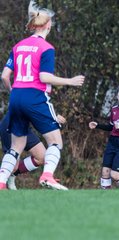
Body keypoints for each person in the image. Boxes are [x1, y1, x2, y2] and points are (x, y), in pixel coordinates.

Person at [0, 0, 85, 190]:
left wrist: (15, 92)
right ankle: (47, 176)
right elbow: (44, 76)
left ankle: (1, 183)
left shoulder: (18, 45)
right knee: (55, 141)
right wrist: (70, 81)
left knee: (16, 146)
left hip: (16, 97)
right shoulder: (47, 48)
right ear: (48, 25)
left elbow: (5, 76)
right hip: (35, 95)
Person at [0, 112, 66, 190]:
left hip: (24, 127)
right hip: (11, 124)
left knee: (42, 157)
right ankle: (3, 180)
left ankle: (12, 173)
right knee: (13, 167)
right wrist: (53, 118)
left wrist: (53, 117)